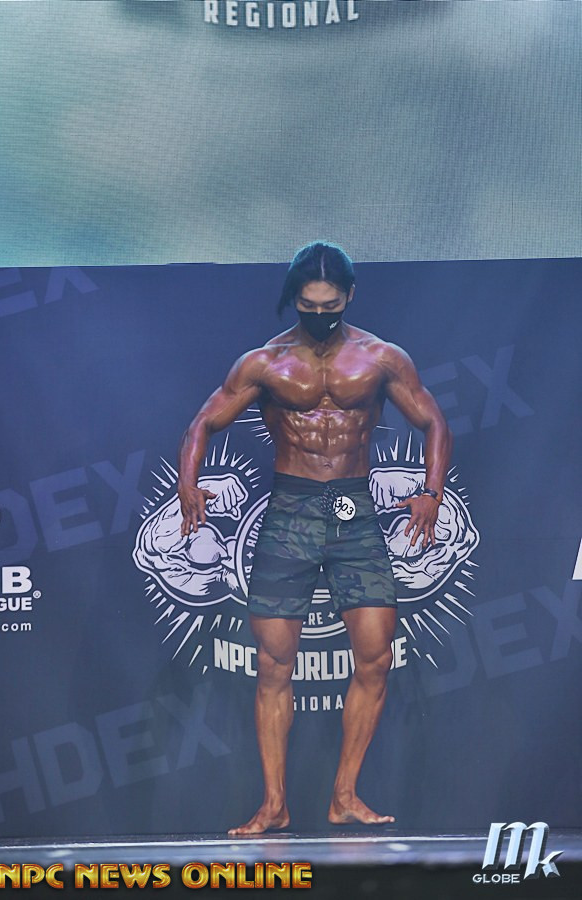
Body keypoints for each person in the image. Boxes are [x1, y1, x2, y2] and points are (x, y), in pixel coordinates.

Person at [177, 241, 453, 834]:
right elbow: (204, 421)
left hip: (354, 508)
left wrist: (431, 491)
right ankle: (274, 804)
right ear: (293, 300)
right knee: (274, 664)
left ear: (349, 296)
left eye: (330, 306)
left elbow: (433, 420)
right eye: (308, 306)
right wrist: (188, 483)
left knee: (375, 656)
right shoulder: (264, 363)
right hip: (291, 509)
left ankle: (344, 795)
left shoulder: (381, 358)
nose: (320, 316)